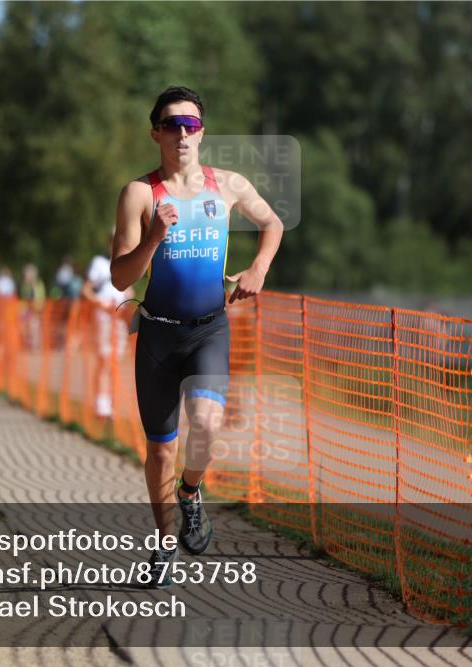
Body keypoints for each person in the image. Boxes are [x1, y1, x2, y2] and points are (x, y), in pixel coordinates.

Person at [110, 86, 283, 586]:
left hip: (209, 329)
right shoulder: (139, 194)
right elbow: (121, 277)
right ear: (155, 132)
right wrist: (154, 238)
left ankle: (190, 492)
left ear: (202, 132)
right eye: (171, 125)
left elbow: (271, 223)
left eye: (190, 125)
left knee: (205, 425)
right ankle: (164, 547)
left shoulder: (226, 185)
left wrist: (259, 269)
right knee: (161, 448)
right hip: (158, 336)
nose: (181, 134)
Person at [83, 240, 133, 418]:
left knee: (115, 361)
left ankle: (112, 403)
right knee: (104, 359)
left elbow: (129, 292)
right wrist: (101, 304)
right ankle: (101, 403)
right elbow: (87, 290)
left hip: (118, 319)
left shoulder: (127, 263)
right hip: (104, 317)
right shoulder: (99, 263)